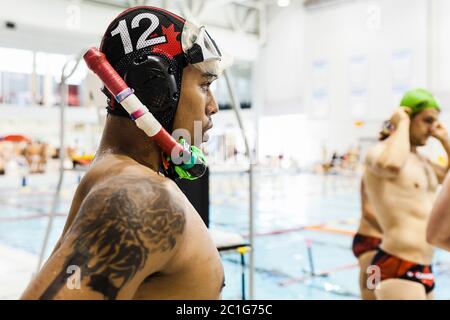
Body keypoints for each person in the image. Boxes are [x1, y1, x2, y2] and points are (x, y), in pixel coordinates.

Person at [21, 6, 229, 300]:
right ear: (155, 89)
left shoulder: (117, 178)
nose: (213, 107)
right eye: (205, 85)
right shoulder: (139, 197)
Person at [363, 88, 450, 300]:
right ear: (409, 117)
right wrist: (400, 123)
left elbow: (448, 180)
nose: (431, 129)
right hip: (395, 264)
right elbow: (391, 165)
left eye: (435, 122)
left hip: (425, 265)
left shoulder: (422, 161)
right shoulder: (379, 152)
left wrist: (444, 140)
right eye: (427, 121)